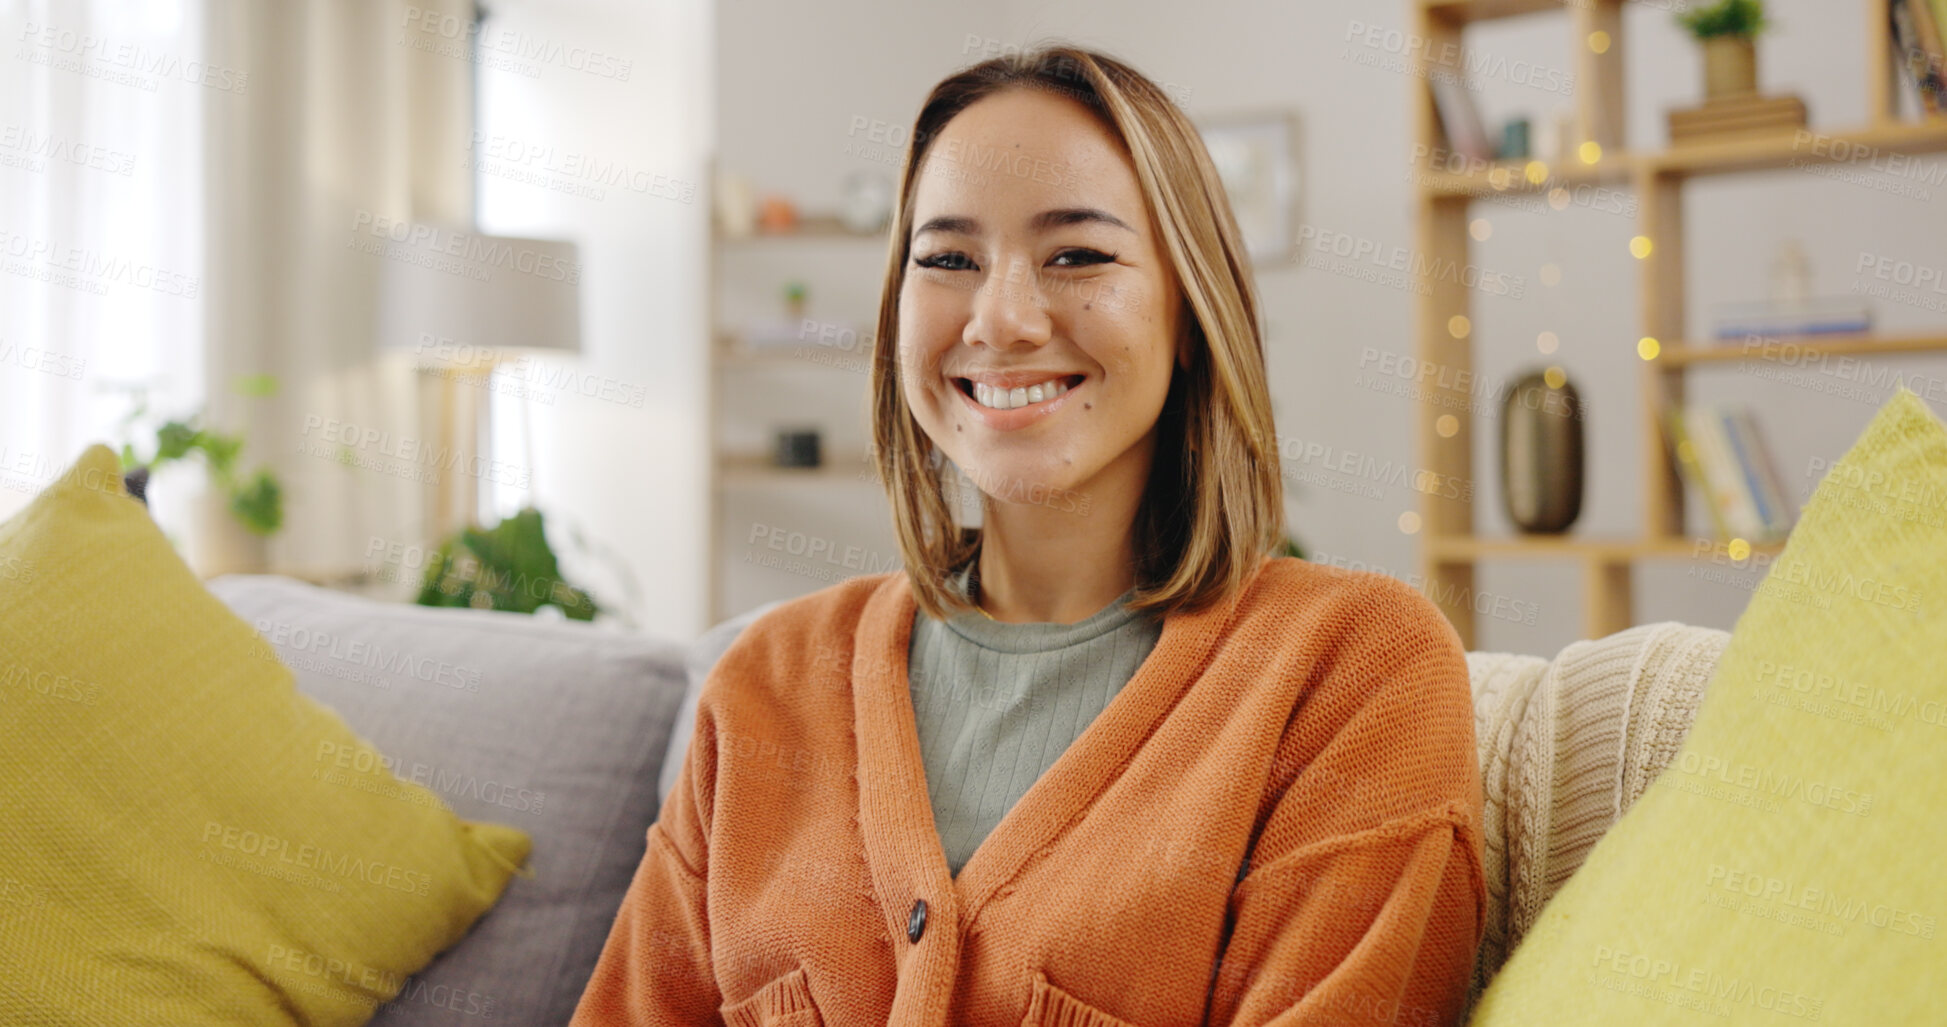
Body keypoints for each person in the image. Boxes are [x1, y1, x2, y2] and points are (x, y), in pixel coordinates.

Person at [573, 43, 1484, 1027]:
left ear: (1189, 309)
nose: (1002, 318)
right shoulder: (765, 682)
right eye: (948, 259)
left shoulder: (1355, 671)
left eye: (1079, 255)